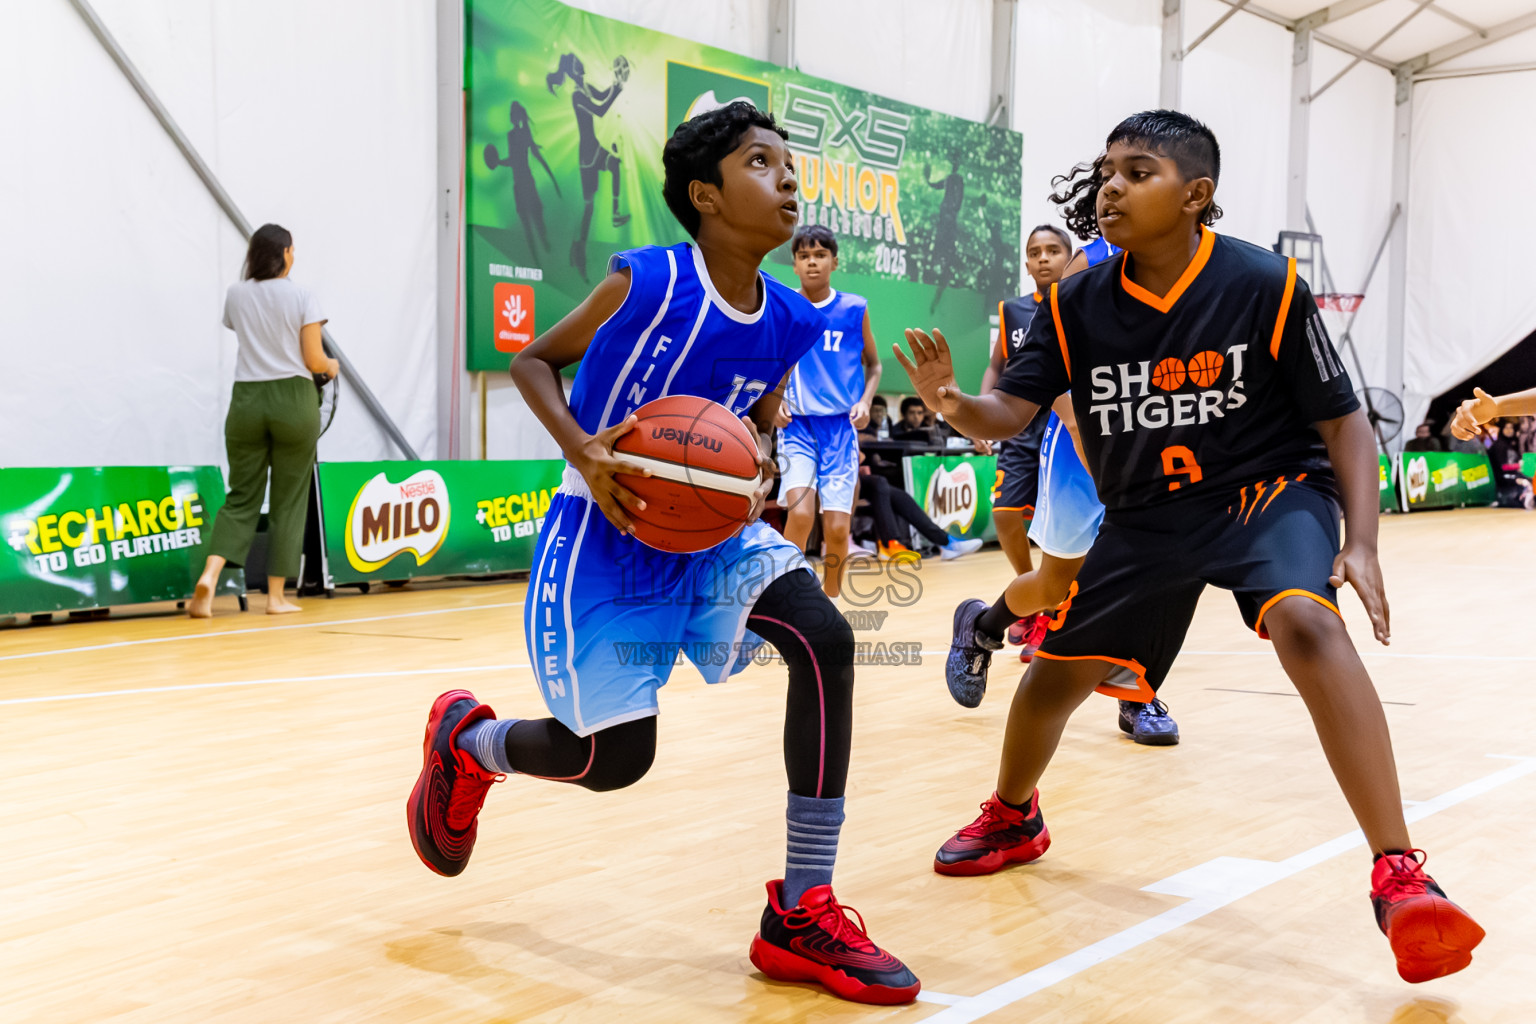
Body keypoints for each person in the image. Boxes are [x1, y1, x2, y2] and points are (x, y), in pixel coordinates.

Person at [896, 110, 1483, 984]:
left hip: (1266, 494)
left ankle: (1400, 874)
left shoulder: (1263, 283)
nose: (1112, 188)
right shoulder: (1071, 305)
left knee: (1309, 624)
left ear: (1195, 194)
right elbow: (1009, 413)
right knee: (1052, 680)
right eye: (1107, 172)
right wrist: (950, 400)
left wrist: (1361, 542)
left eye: (1138, 173)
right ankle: (1014, 815)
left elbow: (1344, 420)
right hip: (1145, 516)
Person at [406, 102, 919, 1006]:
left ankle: (803, 909)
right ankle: (470, 744)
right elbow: (534, 363)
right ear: (705, 197)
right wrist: (583, 449)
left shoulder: (790, 320)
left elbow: (753, 409)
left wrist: (759, 456)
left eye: (790, 165)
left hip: (710, 535)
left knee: (825, 639)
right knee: (615, 761)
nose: (787, 179)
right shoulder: (646, 280)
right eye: (760, 163)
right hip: (605, 534)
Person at [961, 195, 1180, 741]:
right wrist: (1086, 437)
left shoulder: (1190, 265)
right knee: (1056, 584)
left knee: (1148, 575)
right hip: (1079, 441)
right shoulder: (1090, 263)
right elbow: (1055, 368)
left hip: (1148, 438)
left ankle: (1138, 697)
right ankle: (984, 625)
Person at [188, 224, 336, 619]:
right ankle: (275, 598)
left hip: (247, 401)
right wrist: (332, 365)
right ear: (285, 253)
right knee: (289, 499)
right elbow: (313, 360)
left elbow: (242, 330)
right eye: (293, 250)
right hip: (293, 400)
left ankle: (210, 575)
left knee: (241, 495)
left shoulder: (236, 294)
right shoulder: (302, 296)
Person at [777, 225, 883, 599]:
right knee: (801, 515)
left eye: (820, 255)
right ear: (794, 264)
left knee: (837, 529)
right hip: (797, 427)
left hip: (840, 429)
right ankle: (784, 601)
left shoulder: (854, 309)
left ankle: (829, 604)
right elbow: (772, 362)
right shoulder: (785, 307)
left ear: (834, 262)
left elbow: (874, 365)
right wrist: (774, 399)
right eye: (804, 256)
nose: (812, 262)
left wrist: (865, 401)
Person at [983, 226, 1072, 629]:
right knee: (1004, 512)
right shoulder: (1013, 310)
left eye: (1053, 250)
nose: (1043, 258)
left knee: (1064, 526)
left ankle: (1058, 604)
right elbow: (996, 366)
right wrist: (983, 412)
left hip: (1064, 425)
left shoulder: (1080, 304)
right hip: (1019, 422)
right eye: (1035, 252)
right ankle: (1030, 595)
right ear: (1026, 263)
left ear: (1071, 257)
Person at [547, 52, 631, 280]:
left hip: (593, 147)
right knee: (589, 207)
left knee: (614, 163)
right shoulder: (577, 95)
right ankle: (579, 249)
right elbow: (600, 110)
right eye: (577, 63)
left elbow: (603, 96)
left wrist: (616, 83)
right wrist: (618, 89)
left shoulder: (585, 88)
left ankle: (615, 213)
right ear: (574, 70)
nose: (581, 64)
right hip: (586, 155)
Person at [485, 99, 560, 259]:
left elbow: (532, 156)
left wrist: (553, 180)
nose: (512, 116)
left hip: (526, 182)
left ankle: (544, 248)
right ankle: (536, 256)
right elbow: (515, 159)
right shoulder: (512, 135)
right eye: (511, 114)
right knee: (528, 222)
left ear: (518, 116)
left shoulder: (523, 133)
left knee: (536, 218)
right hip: (519, 184)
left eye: (513, 113)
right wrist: (500, 162)